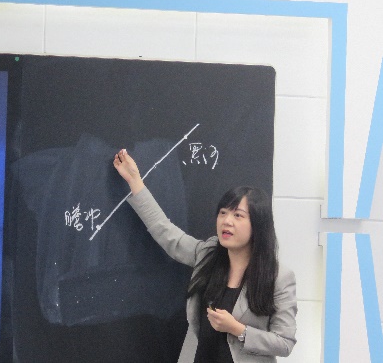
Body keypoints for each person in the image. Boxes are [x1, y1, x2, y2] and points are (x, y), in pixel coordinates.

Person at [113, 149, 297, 363]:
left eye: (238, 215)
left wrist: (238, 329)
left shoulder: (278, 277)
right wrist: (135, 181)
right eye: (223, 213)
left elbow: (285, 343)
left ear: (258, 225)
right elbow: (166, 233)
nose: (227, 221)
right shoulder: (208, 254)